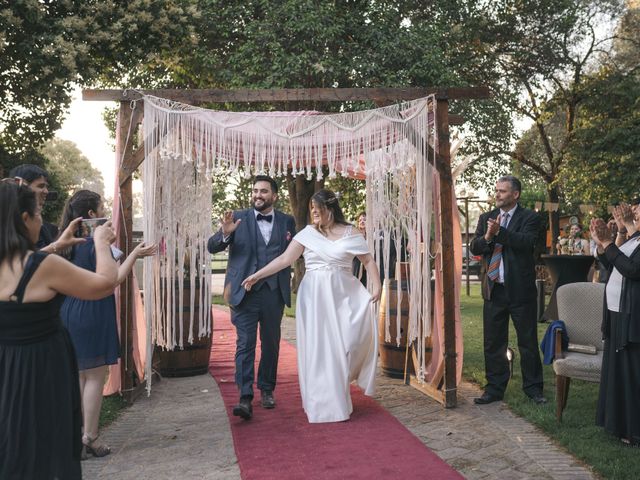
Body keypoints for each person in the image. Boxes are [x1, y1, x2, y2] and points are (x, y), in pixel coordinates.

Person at [0, 180, 118, 479]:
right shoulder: (44, 265)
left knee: (11, 439)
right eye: (38, 214)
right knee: (46, 444)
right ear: (24, 220)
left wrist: (55, 246)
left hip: (6, 365)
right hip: (41, 367)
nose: (43, 221)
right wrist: (101, 243)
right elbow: (103, 284)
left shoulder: (39, 260)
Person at [242, 189, 382, 423]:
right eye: (312, 210)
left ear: (331, 208)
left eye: (318, 209)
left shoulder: (350, 232)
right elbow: (284, 260)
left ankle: (343, 382)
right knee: (320, 349)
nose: (314, 213)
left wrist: (376, 286)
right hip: (314, 297)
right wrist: (258, 275)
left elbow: (367, 260)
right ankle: (325, 403)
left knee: (347, 343)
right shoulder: (307, 234)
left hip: (344, 295)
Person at [58, 190, 156, 458]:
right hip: (93, 310)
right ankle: (90, 437)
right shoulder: (97, 246)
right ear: (92, 215)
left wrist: (132, 253)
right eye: (102, 207)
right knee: (95, 377)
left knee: (78, 377)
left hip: (68, 311)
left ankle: (77, 437)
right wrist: (133, 255)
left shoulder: (65, 244)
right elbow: (113, 281)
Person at [207, 175, 296, 420]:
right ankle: (244, 397)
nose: (258, 195)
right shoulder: (237, 217)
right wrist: (225, 234)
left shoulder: (287, 222)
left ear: (274, 196)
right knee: (244, 344)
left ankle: (267, 389)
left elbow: (294, 253)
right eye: (255, 190)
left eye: (264, 191)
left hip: (273, 293)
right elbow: (212, 247)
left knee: (271, 344)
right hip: (243, 293)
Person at [470, 175, 546, 405]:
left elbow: (526, 243)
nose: (497, 194)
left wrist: (500, 233)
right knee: (493, 342)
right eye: (496, 190)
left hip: (520, 291)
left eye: (503, 191)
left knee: (528, 342)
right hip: (494, 289)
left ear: (515, 195)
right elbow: (475, 246)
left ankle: (533, 389)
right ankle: (494, 388)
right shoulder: (486, 218)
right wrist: (487, 236)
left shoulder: (530, 218)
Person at [591, 199, 640, 446]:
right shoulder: (633, 238)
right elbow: (611, 263)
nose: (634, 214)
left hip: (634, 316)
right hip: (616, 313)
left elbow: (632, 269)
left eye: (638, 213)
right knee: (617, 371)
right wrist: (609, 239)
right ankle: (618, 424)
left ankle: (634, 430)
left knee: (633, 374)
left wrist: (610, 242)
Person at [9, 164, 59, 248]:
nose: (46, 191)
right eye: (41, 186)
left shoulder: (48, 228)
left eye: (46, 187)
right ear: (22, 186)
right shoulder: (7, 225)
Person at [352, 211, 368, 286]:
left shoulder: (372, 236)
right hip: (357, 266)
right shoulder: (355, 235)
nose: (362, 222)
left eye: (364, 220)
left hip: (367, 268)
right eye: (360, 220)